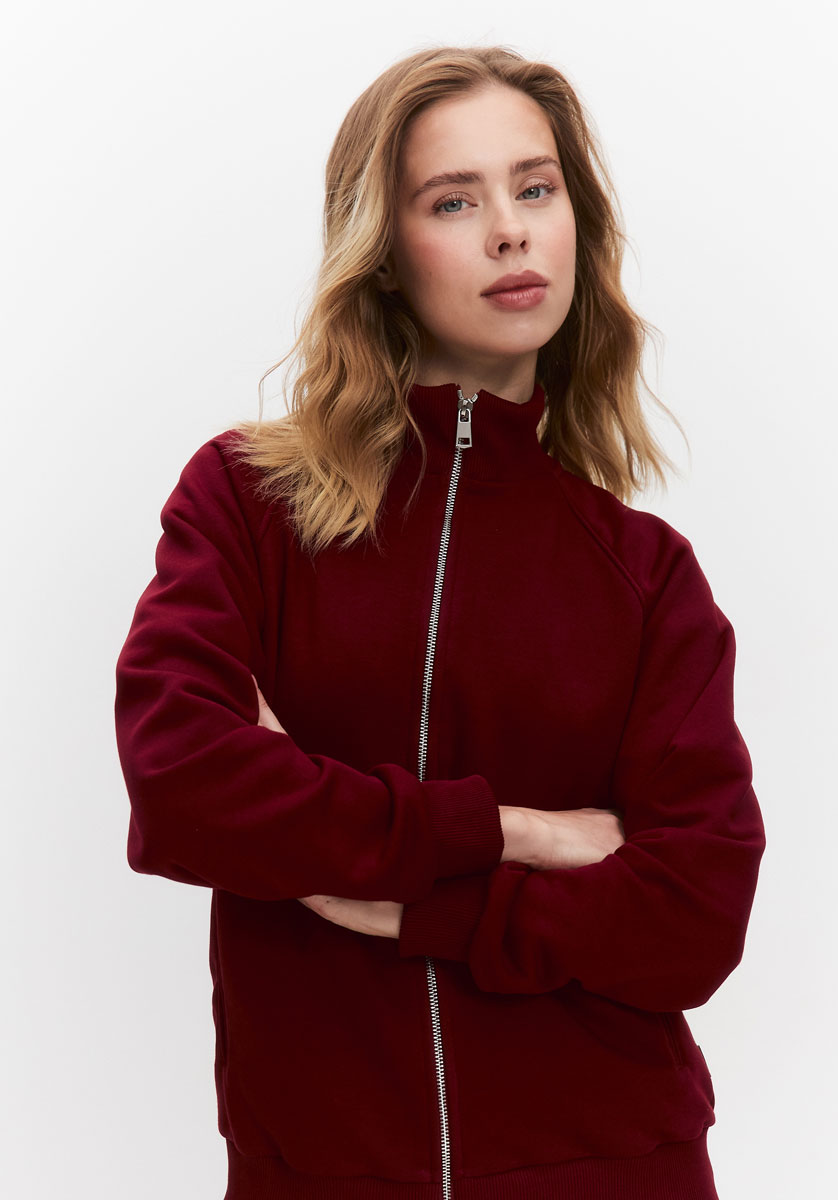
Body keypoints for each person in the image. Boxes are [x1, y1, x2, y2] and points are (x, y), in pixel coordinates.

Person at [114, 44, 766, 1200]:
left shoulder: (646, 575)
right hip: (321, 1171)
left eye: (535, 187)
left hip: (610, 1171)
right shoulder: (249, 508)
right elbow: (184, 783)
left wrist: (413, 901)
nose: (510, 231)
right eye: (453, 201)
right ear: (381, 255)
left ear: (576, 223)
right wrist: (518, 833)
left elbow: (695, 917)